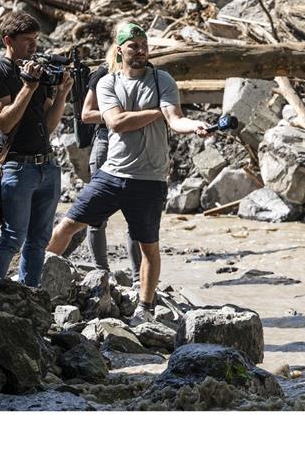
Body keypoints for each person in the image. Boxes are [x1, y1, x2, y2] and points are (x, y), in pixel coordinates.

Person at [46, 23, 210, 314]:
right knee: (66, 227)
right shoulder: (108, 82)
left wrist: (194, 125)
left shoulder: (162, 80)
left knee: (149, 247)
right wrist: (156, 112)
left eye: (144, 44)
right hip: (112, 174)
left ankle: (145, 309)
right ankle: (34, 283)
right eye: (133, 45)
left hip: (150, 179)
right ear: (119, 50)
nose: (141, 50)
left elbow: (175, 119)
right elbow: (116, 122)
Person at [0, 12, 72, 289]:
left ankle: (30, 293)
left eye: (36, 39)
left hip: (46, 164)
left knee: (39, 240)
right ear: (8, 40)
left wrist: (62, 95)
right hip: (16, 166)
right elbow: (4, 122)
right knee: (11, 238)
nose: (34, 46)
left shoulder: (36, 71)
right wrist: (28, 88)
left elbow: (49, 124)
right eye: (27, 40)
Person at [64, 30, 143, 284]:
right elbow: (86, 114)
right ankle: (101, 273)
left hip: (135, 147)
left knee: (136, 215)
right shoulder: (103, 74)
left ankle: (138, 277)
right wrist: (115, 116)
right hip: (106, 142)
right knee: (96, 215)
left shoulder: (146, 75)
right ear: (119, 51)